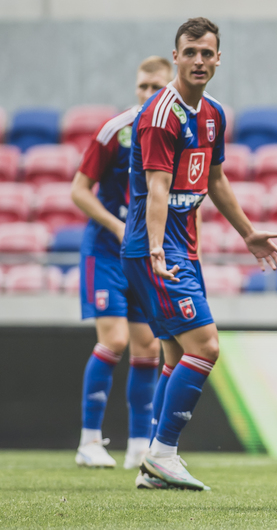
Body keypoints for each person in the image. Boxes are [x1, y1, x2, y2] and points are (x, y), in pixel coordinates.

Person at [121, 17, 277, 491]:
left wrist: (248, 233)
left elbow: (214, 179)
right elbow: (156, 189)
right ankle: (162, 455)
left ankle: (155, 464)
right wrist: (157, 247)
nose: (198, 60)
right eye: (190, 52)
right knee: (207, 347)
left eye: (206, 53)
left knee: (177, 355)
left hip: (182, 246)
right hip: (155, 247)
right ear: (176, 56)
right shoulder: (160, 114)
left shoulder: (213, 113)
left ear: (218, 59)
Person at [71, 56, 172, 470]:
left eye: (156, 87)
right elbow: (79, 190)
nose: (148, 93)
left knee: (147, 346)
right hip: (106, 251)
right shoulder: (115, 129)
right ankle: (89, 441)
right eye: (142, 86)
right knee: (114, 340)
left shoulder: (175, 131)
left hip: (145, 253)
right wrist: (116, 226)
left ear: (170, 89)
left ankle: (138, 447)